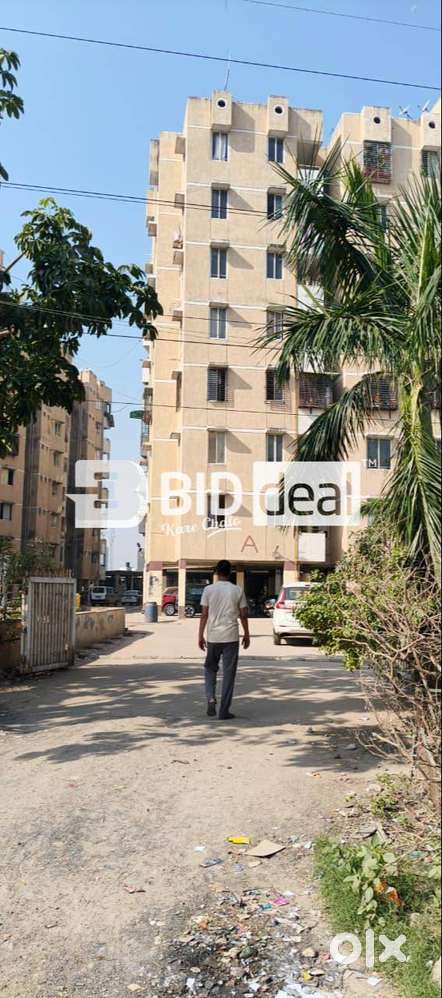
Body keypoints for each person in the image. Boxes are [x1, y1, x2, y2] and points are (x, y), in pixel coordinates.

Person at [198, 560, 250, 720]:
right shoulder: (237, 590)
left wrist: (200, 635)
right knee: (229, 674)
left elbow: (204, 614)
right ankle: (224, 711)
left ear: (216, 572)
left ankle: (210, 698)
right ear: (230, 572)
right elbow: (243, 614)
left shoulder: (208, 590)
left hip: (213, 637)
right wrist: (247, 634)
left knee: (210, 669)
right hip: (231, 637)